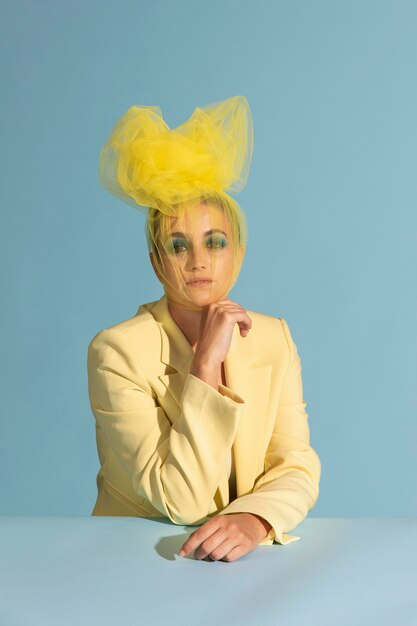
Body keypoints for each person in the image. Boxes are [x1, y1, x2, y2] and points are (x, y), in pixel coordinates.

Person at [87, 95, 321, 563]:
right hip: (136, 560)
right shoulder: (116, 352)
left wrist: (256, 520)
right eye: (178, 246)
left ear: (238, 251)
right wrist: (206, 362)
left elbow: (296, 463)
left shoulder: (275, 337)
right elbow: (182, 501)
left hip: (244, 567)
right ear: (156, 263)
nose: (198, 261)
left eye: (215, 242)